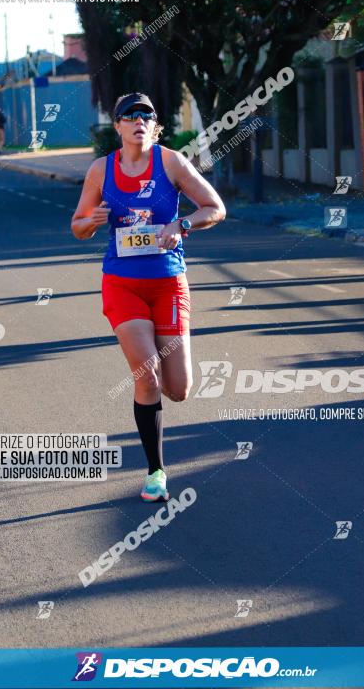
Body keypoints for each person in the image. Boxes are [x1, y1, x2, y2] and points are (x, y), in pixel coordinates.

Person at [72, 92, 226, 501]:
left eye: (147, 115)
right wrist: (92, 220)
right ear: (118, 126)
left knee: (178, 388)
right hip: (121, 283)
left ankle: (158, 441)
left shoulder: (172, 162)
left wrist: (183, 225)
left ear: (155, 125)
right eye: (130, 115)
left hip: (168, 283)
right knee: (147, 372)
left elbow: (215, 207)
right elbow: (77, 225)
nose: (139, 121)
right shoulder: (100, 170)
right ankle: (155, 471)